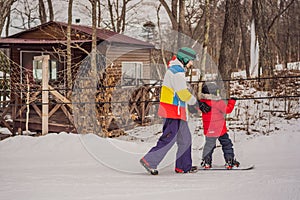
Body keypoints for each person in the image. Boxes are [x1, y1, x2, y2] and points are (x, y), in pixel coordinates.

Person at [140, 47, 210, 175]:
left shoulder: (177, 70)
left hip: (178, 110)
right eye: (191, 61)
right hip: (172, 110)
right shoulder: (177, 71)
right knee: (169, 138)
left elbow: (181, 94)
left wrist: (192, 104)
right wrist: (196, 103)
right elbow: (182, 93)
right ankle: (150, 160)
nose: (191, 64)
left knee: (185, 139)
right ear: (185, 59)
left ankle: (183, 166)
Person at [199, 82, 240, 169]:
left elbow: (195, 106)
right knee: (226, 144)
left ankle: (206, 162)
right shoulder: (218, 102)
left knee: (209, 145)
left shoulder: (202, 103)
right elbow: (227, 110)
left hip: (209, 130)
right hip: (220, 129)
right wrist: (232, 101)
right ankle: (229, 161)